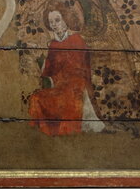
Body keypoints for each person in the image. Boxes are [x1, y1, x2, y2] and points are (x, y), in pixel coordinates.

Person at [28, 7, 104, 136]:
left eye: (57, 20)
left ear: (66, 20)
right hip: (59, 86)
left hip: (77, 85)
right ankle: (44, 134)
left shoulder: (77, 40)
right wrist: (41, 60)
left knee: (69, 99)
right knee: (36, 97)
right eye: (51, 22)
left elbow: (81, 68)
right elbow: (48, 71)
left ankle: (67, 134)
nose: (54, 25)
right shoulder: (53, 44)